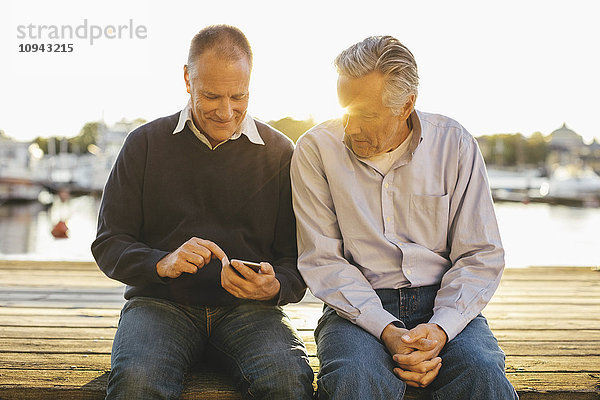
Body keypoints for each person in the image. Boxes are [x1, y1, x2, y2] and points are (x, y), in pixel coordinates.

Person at [92, 25, 314, 400]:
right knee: (137, 383)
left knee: (288, 380)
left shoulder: (281, 153)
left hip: (250, 312)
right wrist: (162, 262)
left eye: (238, 96)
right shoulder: (144, 144)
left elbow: (297, 260)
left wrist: (276, 285)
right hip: (160, 305)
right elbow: (109, 243)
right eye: (211, 96)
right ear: (187, 79)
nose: (226, 112)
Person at [290, 35, 518, 399]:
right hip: (356, 307)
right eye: (344, 111)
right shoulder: (315, 150)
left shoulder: (454, 144)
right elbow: (323, 260)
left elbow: (480, 254)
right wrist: (388, 330)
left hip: (444, 300)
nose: (350, 128)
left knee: (482, 374)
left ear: (407, 105)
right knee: (354, 379)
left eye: (364, 115)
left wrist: (441, 328)